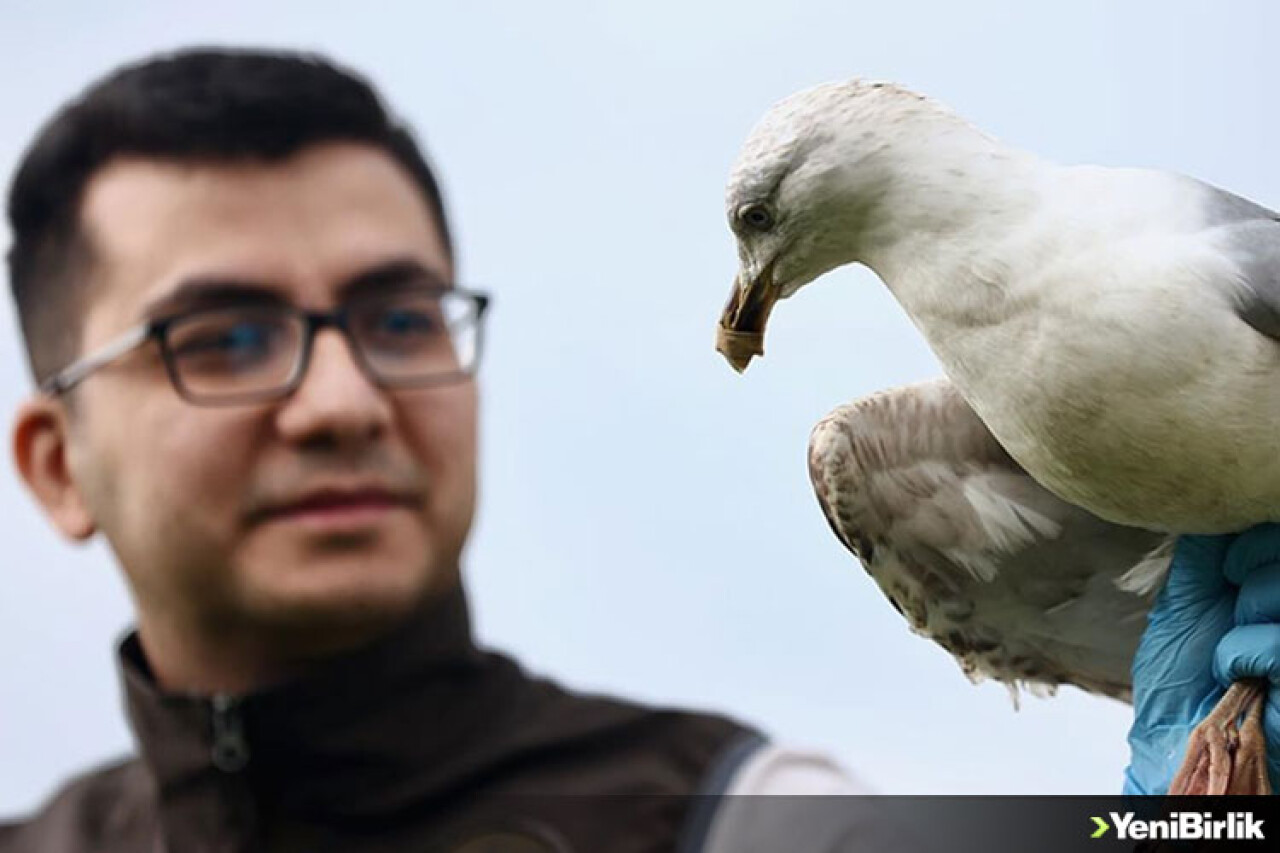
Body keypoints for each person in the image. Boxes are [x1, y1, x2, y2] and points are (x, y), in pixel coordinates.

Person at [0, 46, 1276, 853]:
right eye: (224, 339)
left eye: (399, 319)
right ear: (55, 461)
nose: (339, 399)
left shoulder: (765, 822)